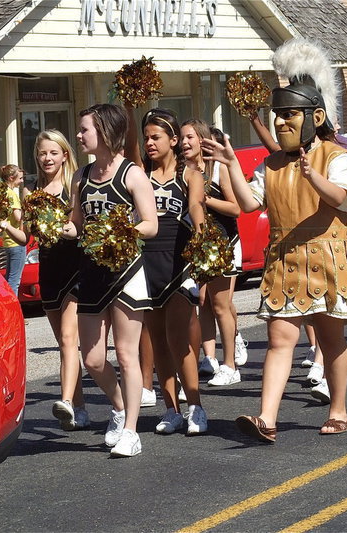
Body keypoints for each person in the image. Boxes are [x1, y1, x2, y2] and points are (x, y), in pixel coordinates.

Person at [207, 38, 347, 441]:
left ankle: (339, 408)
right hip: (285, 261)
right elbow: (247, 205)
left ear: (316, 116)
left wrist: (314, 177)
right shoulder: (271, 164)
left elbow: (346, 200)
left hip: (328, 257)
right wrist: (228, 167)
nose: (280, 122)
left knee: (331, 339)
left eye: (289, 114)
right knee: (279, 338)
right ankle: (267, 419)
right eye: (277, 115)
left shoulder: (335, 156)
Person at [64, 103, 158, 457]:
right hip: (91, 272)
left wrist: (120, 233)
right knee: (92, 359)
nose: (79, 135)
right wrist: (59, 227)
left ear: (103, 131)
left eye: (84, 129)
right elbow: (77, 223)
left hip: (127, 271)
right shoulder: (81, 177)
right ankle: (119, 406)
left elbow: (151, 224)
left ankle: (132, 431)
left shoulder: (132, 174)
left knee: (126, 354)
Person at [125, 107, 209, 436]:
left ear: (173, 140)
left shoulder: (189, 174)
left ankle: (196, 406)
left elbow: (196, 212)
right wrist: (131, 105)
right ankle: (171, 408)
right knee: (157, 340)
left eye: (156, 137)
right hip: (146, 263)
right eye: (146, 137)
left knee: (179, 338)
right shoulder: (139, 173)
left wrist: (203, 253)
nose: (149, 143)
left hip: (180, 262)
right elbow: (130, 142)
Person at [180, 120, 247, 386]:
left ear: (202, 139)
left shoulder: (217, 167)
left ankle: (231, 364)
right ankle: (209, 358)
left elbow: (235, 209)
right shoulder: (181, 170)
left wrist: (203, 199)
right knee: (203, 303)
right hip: (197, 246)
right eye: (182, 138)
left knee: (220, 305)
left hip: (224, 243)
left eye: (190, 137)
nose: (185, 142)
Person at [31, 130, 90, 430]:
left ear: (65, 154)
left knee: (69, 338)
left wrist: (59, 226)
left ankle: (66, 401)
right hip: (48, 268)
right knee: (63, 344)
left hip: (74, 267)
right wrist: (1, 223)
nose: (47, 158)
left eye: (53, 153)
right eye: (43, 153)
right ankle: (79, 408)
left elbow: (77, 229)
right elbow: (24, 235)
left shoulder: (75, 184)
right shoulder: (33, 190)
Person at [0, 164, 27, 295]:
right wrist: (26, 210)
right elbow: (17, 216)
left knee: (9, 278)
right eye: (20, 178)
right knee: (14, 281)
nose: (22, 181)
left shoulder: (1, 192)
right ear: (11, 178)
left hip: (7, 240)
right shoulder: (12, 194)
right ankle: (12, 310)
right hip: (16, 241)